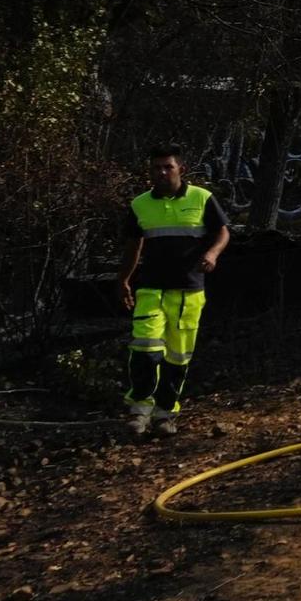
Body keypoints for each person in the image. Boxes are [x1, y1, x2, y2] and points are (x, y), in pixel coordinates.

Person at [116, 145, 230, 436]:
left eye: (168, 167)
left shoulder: (202, 199)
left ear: (182, 169)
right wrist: (124, 279)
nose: (162, 172)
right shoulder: (140, 204)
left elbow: (222, 231)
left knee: (177, 357)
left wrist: (213, 254)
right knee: (145, 349)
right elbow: (133, 245)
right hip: (151, 289)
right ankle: (139, 410)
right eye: (156, 168)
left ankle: (165, 414)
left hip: (188, 291)